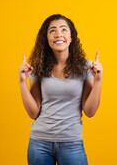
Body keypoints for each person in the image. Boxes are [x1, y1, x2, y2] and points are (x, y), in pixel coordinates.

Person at [19, 14, 103, 165]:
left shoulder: (86, 67)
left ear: (71, 37)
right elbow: (33, 112)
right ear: (47, 39)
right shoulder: (38, 67)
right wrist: (22, 82)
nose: (58, 34)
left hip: (71, 143)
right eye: (52, 31)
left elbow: (90, 111)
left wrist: (98, 80)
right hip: (39, 144)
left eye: (64, 29)